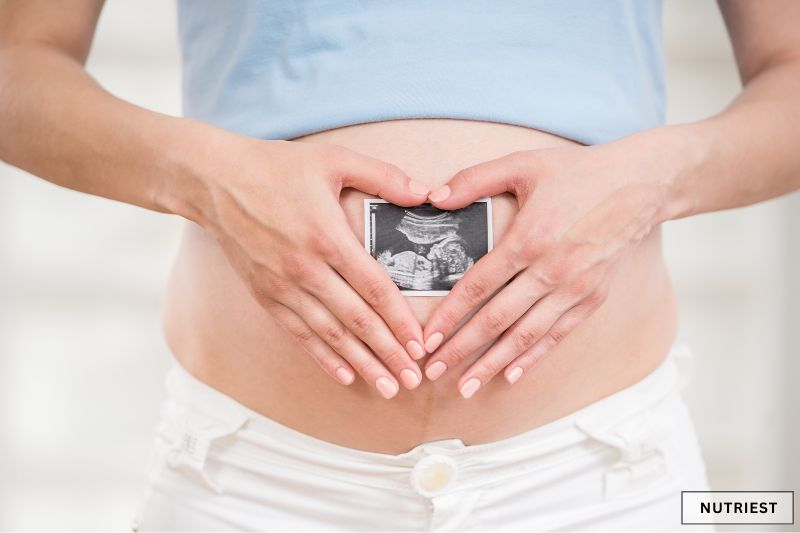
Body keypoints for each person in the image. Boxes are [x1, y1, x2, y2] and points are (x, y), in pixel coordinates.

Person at [1, 1, 798, 530]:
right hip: (254, 487)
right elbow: (16, 66)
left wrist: (653, 180)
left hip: (599, 482)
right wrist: (209, 179)